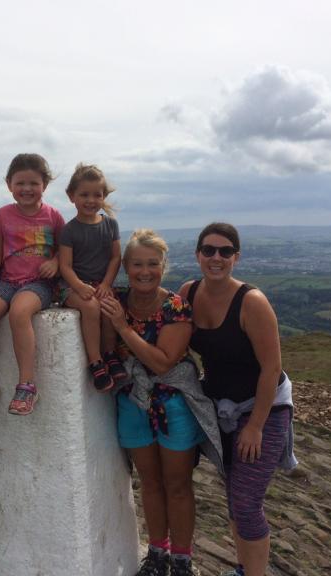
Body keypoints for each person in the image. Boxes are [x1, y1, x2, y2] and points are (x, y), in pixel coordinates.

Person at [100, 229, 222, 576]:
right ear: (125, 266)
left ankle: (182, 559)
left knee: (178, 485)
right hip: (132, 403)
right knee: (150, 483)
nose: (145, 271)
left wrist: (123, 328)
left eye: (152, 264)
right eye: (137, 264)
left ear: (163, 266)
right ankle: (157, 553)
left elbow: (162, 362)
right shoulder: (117, 299)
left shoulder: (175, 306)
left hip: (173, 405)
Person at [179, 222, 297, 576]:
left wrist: (256, 427)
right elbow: (172, 341)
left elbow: (271, 368)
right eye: (209, 250)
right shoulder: (188, 291)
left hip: (263, 408)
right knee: (235, 499)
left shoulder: (252, 301)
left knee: (246, 503)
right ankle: (245, 568)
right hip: (220, 409)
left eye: (225, 251)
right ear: (198, 254)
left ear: (236, 257)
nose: (216, 257)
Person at [0, 153, 65, 417]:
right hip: (7, 280)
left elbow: (66, 249)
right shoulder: (3, 215)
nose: (26, 189)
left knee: (19, 312)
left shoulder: (53, 216)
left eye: (33, 183)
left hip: (39, 283)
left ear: (45, 185)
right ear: (9, 184)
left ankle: (27, 385)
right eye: (20, 183)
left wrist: (55, 261)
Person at [58, 163, 125, 391]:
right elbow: (64, 266)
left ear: (104, 196)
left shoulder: (110, 225)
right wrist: (78, 286)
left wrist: (106, 284)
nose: (90, 200)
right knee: (91, 307)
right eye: (84, 194)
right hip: (72, 286)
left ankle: (110, 354)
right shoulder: (69, 230)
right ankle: (95, 361)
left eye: (97, 194)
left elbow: (116, 257)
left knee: (108, 306)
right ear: (72, 196)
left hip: (99, 284)